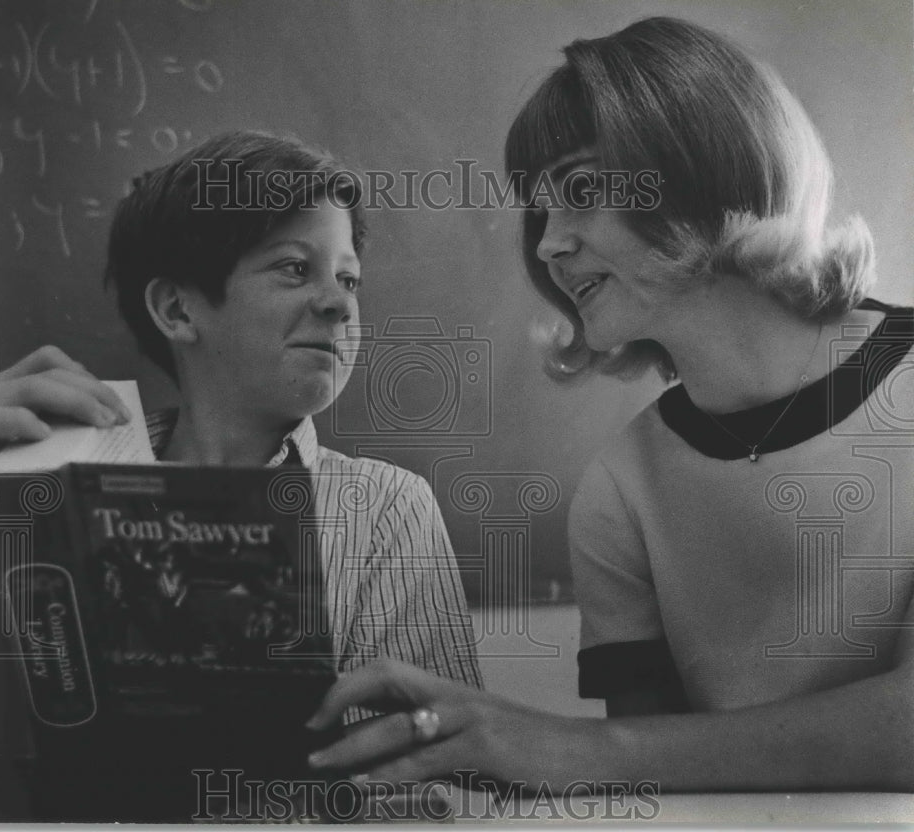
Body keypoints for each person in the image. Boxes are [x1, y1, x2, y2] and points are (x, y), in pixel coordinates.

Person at [306, 17, 914, 792]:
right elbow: (654, 786)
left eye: (584, 191)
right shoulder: (619, 493)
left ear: (710, 168)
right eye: (542, 208)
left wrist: (562, 747)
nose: (550, 243)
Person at [0, 132, 481, 816]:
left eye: (349, 277)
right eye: (295, 270)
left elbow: (438, 782)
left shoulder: (388, 508)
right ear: (178, 310)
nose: (339, 304)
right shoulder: (59, 487)